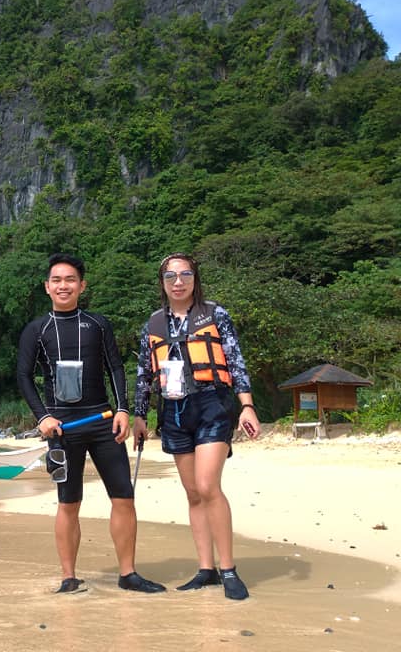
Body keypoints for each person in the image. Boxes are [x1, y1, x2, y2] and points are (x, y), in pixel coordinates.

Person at [17, 253, 165, 594]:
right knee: (68, 502)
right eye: (57, 280)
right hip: (62, 428)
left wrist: (123, 409)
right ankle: (69, 577)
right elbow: (23, 376)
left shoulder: (98, 324)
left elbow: (115, 367)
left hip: (103, 422)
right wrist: (43, 417)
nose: (63, 285)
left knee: (123, 496)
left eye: (70, 279)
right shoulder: (37, 330)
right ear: (47, 287)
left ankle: (128, 574)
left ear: (82, 285)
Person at [134, 253, 261, 601]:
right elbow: (145, 374)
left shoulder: (215, 314)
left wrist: (247, 406)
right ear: (162, 282)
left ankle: (228, 569)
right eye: (170, 276)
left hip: (212, 403)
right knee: (192, 492)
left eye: (185, 274)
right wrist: (139, 416)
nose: (178, 282)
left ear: (194, 279)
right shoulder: (153, 324)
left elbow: (235, 361)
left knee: (207, 486)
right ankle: (206, 569)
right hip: (174, 410)